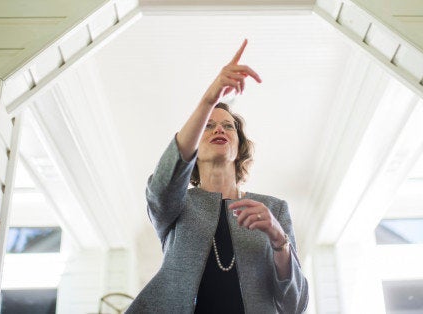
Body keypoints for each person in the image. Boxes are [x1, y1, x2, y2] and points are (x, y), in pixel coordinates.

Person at [126, 39, 308, 313]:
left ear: (239, 147)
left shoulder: (275, 210)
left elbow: (294, 304)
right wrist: (209, 99)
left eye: (227, 126)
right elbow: (161, 186)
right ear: (194, 150)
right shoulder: (176, 205)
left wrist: (279, 240)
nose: (218, 129)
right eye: (208, 126)